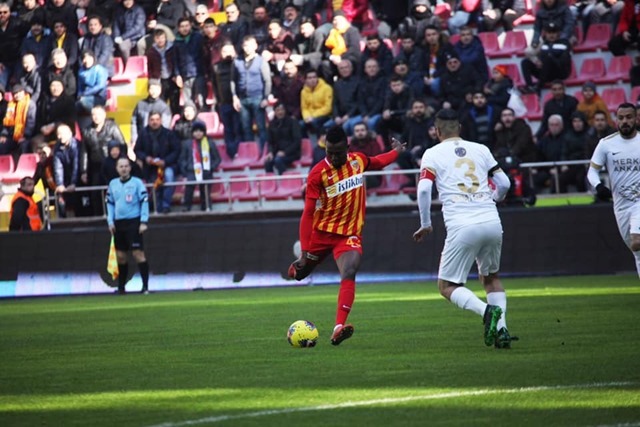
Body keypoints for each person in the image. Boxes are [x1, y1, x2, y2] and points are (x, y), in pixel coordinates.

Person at [287, 125, 406, 346]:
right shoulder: (317, 174)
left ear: (347, 148)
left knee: (349, 270)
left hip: (348, 235)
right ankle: (296, 266)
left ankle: (338, 327)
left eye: (338, 153)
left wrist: (397, 152)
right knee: (300, 274)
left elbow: (378, 161)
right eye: (329, 152)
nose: (333, 157)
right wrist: (304, 253)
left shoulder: (358, 160)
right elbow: (308, 213)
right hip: (321, 234)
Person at [412, 108, 516, 349]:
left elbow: (424, 189)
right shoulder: (481, 149)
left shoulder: (432, 154)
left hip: (462, 224)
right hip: (491, 220)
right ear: (459, 128)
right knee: (491, 278)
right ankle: (502, 330)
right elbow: (504, 183)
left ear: (436, 131)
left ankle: (486, 311)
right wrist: (494, 198)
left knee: (447, 286)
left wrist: (426, 224)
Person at [587, 103, 640, 276]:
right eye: (621, 118)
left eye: (629, 117)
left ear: (636, 119)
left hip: (639, 202)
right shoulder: (606, 144)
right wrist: (599, 186)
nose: (625, 121)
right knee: (636, 252)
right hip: (621, 205)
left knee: (637, 241)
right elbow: (592, 171)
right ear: (616, 120)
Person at [106, 157, 150, 294]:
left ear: (130, 168)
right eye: (121, 166)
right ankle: (121, 287)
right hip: (119, 223)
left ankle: (145, 287)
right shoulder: (113, 184)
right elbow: (110, 204)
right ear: (117, 169)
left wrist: (143, 221)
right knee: (120, 256)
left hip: (134, 222)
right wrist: (110, 221)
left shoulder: (137, 183)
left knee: (138, 253)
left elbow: (144, 201)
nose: (124, 169)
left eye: (126, 166)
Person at [178, 121, 221, 211]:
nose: (198, 133)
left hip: (206, 171)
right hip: (191, 170)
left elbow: (217, 159)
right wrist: (185, 170)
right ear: (192, 132)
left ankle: (206, 207)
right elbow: (182, 159)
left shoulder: (210, 143)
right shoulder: (187, 143)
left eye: (200, 131)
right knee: (189, 190)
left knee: (205, 191)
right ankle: (186, 207)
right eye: (196, 131)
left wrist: (211, 168)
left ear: (204, 132)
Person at [264, 103, 301, 175]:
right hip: (277, 152)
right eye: (277, 110)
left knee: (278, 160)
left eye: (282, 110)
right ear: (275, 112)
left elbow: (297, 141)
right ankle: (270, 181)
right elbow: (270, 142)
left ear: (285, 110)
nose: (280, 112)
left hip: (292, 153)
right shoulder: (272, 124)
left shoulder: (292, 122)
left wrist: (285, 152)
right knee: (268, 162)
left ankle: (284, 180)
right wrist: (270, 152)